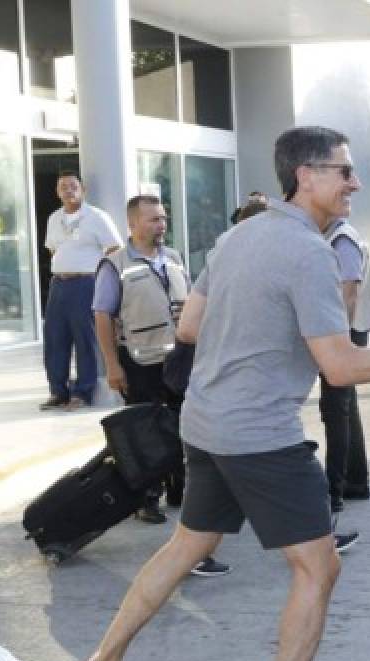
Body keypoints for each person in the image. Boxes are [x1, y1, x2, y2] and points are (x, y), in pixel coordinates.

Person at [80, 126, 370, 661]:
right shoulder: (309, 253)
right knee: (318, 566)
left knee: (189, 543)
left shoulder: (238, 235)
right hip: (258, 434)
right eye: (344, 171)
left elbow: (189, 323)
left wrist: (256, 331)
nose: (354, 182)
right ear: (306, 175)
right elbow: (340, 368)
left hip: (206, 421)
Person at [91, 195, 232, 578]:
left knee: (185, 426)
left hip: (180, 357)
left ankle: (179, 489)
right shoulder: (115, 264)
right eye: (153, 219)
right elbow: (102, 315)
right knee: (145, 433)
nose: (161, 224)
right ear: (133, 224)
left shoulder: (173, 256)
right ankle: (146, 498)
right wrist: (111, 364)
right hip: (140, 360)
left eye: (163, 218)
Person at [40, 171, 122, 411]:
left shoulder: (96, 217)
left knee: (85, 339)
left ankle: (82, 392)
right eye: (63, 186)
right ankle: (58, 391)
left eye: (73, 186)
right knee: (55, 339)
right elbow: (53, 249)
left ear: (83, 190)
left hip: (86, 283)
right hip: (59, 284)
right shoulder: (54, 218)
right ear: (57, 192)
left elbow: (115, 247)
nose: (68, 190)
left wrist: (96, 272)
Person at [319, 217, 370, 513]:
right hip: (347, 330)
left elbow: (350, 292)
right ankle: (355, 480)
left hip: (345, 331)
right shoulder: (340, 235)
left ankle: (335, 489)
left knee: (336, 409)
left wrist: (339, 340)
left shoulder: (341, 238)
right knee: (345, 407)